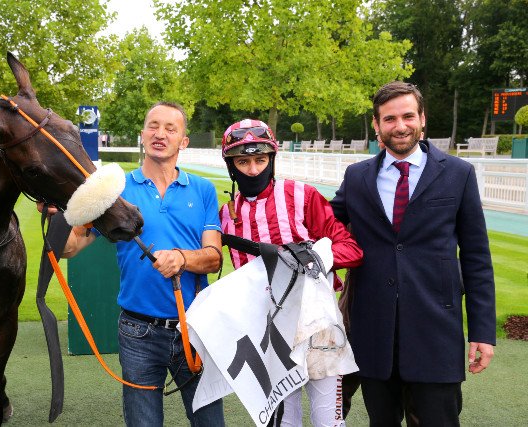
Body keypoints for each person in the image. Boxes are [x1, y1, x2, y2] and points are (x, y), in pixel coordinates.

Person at [43, 102, 225, 426]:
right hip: (138, 332)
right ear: (143, 134)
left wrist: (182, 258)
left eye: (170, 128)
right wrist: (58, 216)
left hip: (195, 328)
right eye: (153, 126)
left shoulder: (203, 190)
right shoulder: (115, 192)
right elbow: (71, 247)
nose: (160, 134)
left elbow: (214, 258)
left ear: (183, 141)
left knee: (210, 423)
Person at [330, 81, 496, 426]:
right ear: (377, 125)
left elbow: (477, 258)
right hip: (373, 334)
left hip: (435, 334)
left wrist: (482, 331)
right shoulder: (357, 177)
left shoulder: (458, 174)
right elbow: (323, 223)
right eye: (389, 119)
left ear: (422, 119)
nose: (400, 126)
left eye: (408, 116)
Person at [218, 119, 363, 426]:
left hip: (318, 325)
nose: (253, 170)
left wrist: (313, 258)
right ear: (231, 166)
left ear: (272, 159)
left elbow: (352, 250)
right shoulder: (226, 216)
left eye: (260, 160)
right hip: (267, 332)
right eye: (243, 162)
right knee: (285, 421)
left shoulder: (303, 196)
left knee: (328, 421)